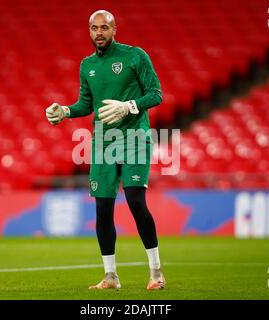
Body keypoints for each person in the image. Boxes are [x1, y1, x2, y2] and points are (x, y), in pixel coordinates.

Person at [45, 9, 165, 290]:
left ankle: (156, 271)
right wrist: (64, 111)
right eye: (94, 28)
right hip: (102, 143)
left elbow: (156, 93)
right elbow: (86, 105)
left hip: (135, 138)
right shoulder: (87, 65)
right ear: (89, 31)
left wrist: (129, 106)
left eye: (104, 28)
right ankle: (111, 276)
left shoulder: (135, 56)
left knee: (136, 202)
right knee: (102, 209)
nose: (99, 33)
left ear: (114, 30)